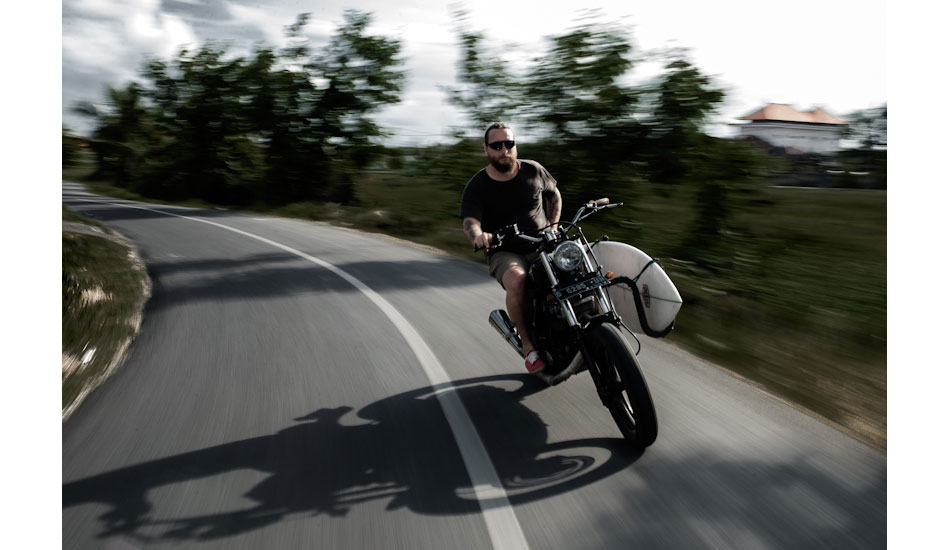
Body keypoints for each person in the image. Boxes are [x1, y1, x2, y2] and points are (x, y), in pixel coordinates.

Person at [459, 122, 562, 373]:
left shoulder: (533, 170)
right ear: (486, 150)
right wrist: (479, 236)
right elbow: (470, 221)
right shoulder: (478, 185)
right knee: (517, 280)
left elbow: (554, 195)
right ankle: (529, 348)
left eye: (509, 144)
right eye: (497, 146)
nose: (504, 150)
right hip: (505, 251)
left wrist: (553, 226)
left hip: (542, 242)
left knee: (574, 269)